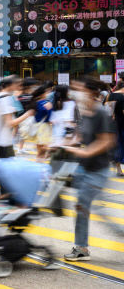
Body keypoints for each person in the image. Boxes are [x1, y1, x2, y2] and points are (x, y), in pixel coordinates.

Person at [60, 78, 116, 261]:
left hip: (97, 170)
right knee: (85, 207)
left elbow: (108, 140)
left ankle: (82, 248)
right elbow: (79, 135)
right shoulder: (86, 112)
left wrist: (85, 152)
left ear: (91, 93)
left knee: (85, 207)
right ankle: (81, 246)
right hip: (84, 169)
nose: (75, 92)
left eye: (79, 89)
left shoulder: (101, 112)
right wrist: (61, 144)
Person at [0, 77, 33, 159]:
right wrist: (27, 114)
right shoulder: (5, 98)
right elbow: (10, 123)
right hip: (3, 140)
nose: (19, 87)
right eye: (17, 84)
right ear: (11, 85)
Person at [26, 85, 53, 162]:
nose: (48, 93)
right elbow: (49, 118)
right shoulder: (46, 103)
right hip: (44, 127)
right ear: (42, 94)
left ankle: (39, 165)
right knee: (43, 150)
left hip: (36, 126)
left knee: (40, 150)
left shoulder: (35, 103)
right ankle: (38, 165)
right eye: (46, 92)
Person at [105, 82, 124, 176]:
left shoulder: (108, 96)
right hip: (121, 126)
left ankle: (119, 169)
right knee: (120, 147)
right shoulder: (122, 97)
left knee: (116, 147)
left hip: (109, 125)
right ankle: (118, 167)